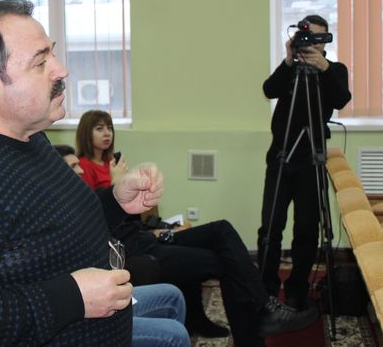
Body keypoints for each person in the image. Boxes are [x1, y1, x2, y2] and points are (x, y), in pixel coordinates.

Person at [0, 0, 169, 346]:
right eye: (40, 62)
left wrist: (116, 203)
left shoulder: (29, 137)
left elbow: (50, 230)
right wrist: (72, 298)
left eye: (52, 54)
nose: (61, 70)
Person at [55, 144, 320, 347]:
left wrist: (161, 228)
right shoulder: (67, 201)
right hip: (137, 250)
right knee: (226, 261)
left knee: (222, 230)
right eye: (72, 167)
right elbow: (102, 234)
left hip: (148, 237)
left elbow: (128, 219)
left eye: (78, 165)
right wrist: (115, 184)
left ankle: (263, 307)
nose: (79, 171)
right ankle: (258, 322)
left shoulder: (91, 183)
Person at [257, 14, 351, 310]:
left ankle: (297, 290)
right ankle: (266, 290)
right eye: (307, 38)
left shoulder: (335, 69)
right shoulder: (291, 70)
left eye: (318, 39)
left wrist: (324, 68)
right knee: (270, 229)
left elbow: (341, 99)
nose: (312, 44)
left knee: (306, 231)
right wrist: (288, 60)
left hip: (311, 161)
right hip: (281, 158)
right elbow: (269, 90)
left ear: (326, 41)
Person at [76, 109, 128, 188]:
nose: (107, 133)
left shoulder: (110, 162)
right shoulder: (83, 166)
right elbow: (90, 196)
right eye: (99, 129)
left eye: (109, 128)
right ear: (86, 133)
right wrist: (116, 182)